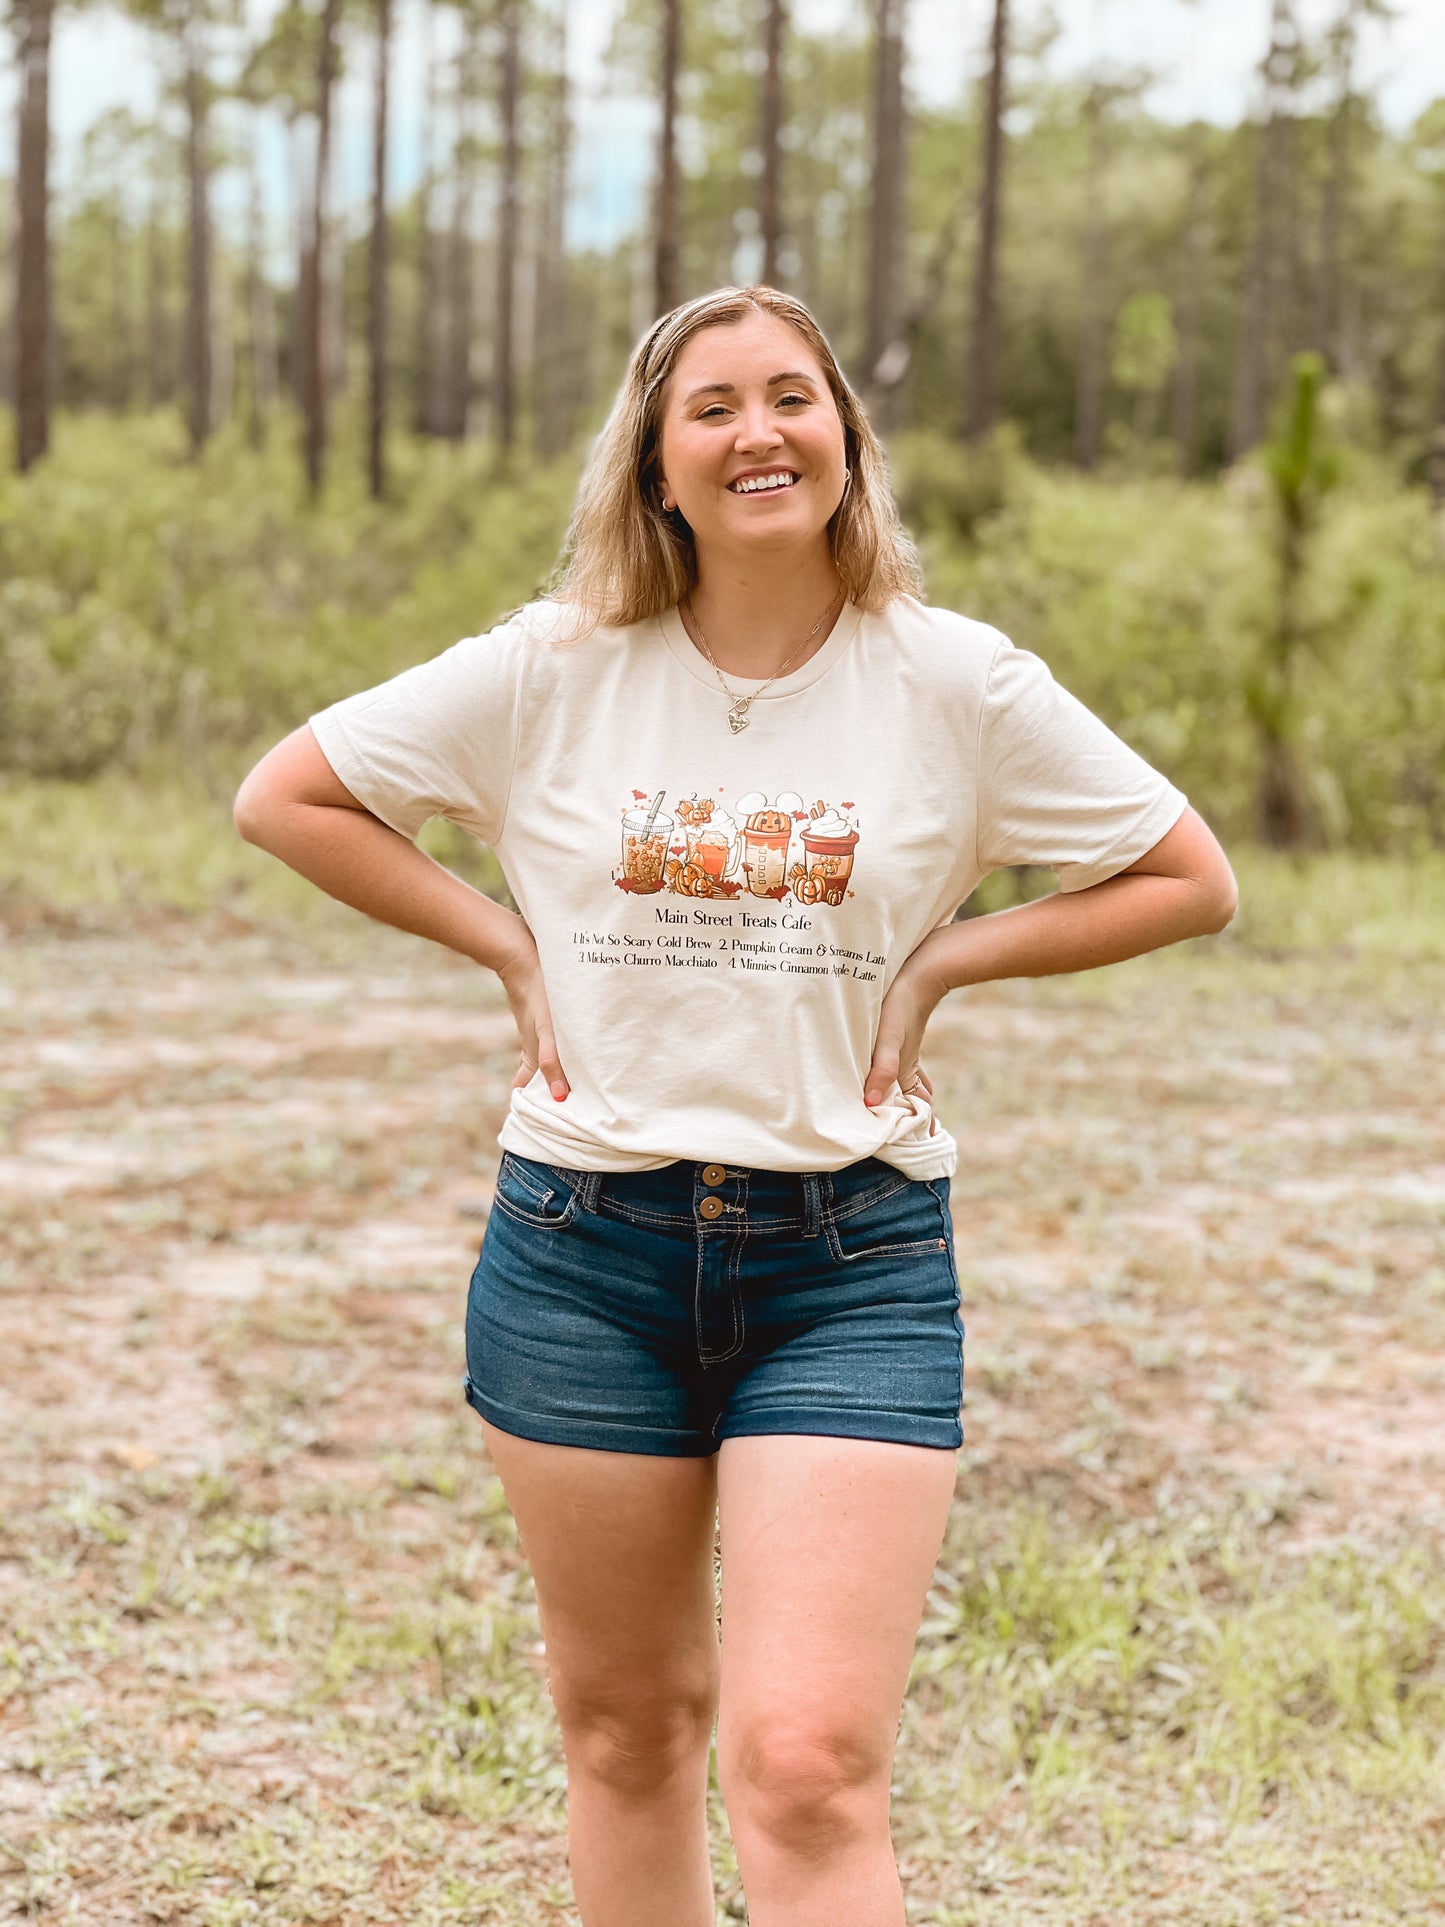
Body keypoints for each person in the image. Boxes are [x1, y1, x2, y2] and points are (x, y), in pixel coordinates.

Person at [234, 285, 1236, 1927]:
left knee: (805, 1762)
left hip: (847, 1259)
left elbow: (1186, 878)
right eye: (712, 408)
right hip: (579, 1248)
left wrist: (942, 967)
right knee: (628, 1733)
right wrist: (504, 942)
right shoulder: (552, 670)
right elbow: (288, 796)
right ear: (655, 465)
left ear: (843, 436)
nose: (757, 432)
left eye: (792, 397)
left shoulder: (954, 683)